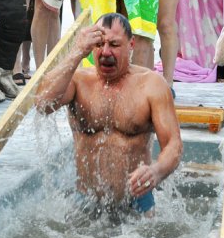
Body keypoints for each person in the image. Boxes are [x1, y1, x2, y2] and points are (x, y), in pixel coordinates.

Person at [35, 13, 182, 215]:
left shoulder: (151, 85)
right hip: (86, 199)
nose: (105, 52)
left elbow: (174, 144)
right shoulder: (78, 81)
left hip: (137, 200)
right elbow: (42, 103)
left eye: (114, 44)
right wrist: (77, 51)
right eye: (99, 44)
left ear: (131, 44)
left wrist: (155, 172)